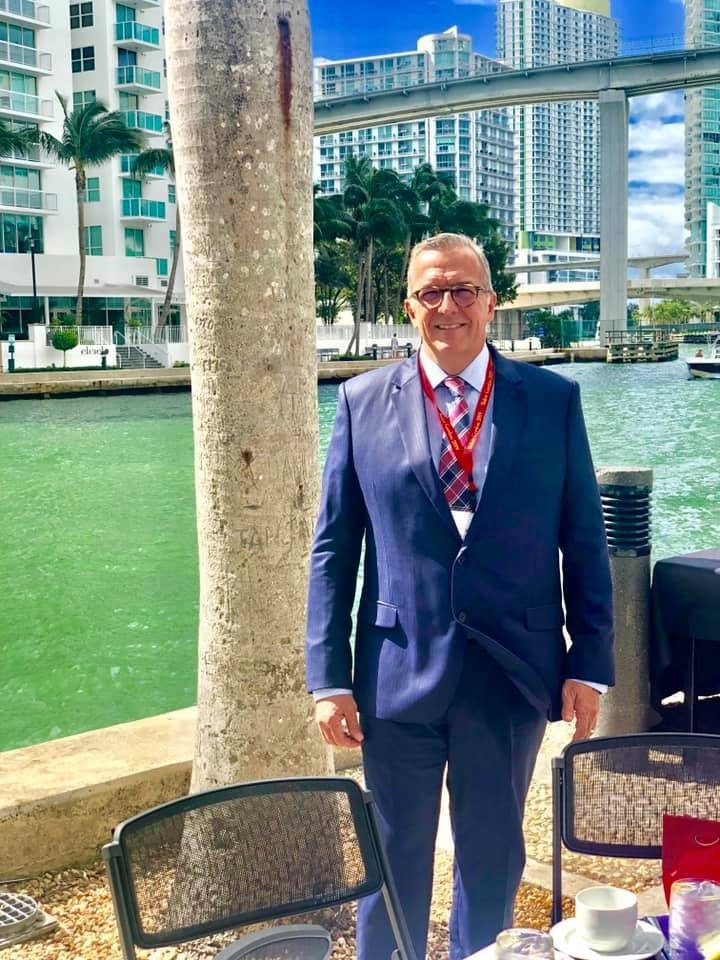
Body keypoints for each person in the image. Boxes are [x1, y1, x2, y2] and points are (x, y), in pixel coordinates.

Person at [305, 232, 614, 960]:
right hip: (395, 674)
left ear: (490, 301)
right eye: (432, 292)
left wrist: (590, 662)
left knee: (492, 858)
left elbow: (584, 539)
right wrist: (328, 677)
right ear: (410, 307)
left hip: (511, 674)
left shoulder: (552, 401)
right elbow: (334, 549)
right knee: (391, 862)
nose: (449, 306)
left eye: (464, 289)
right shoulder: (360, 402)